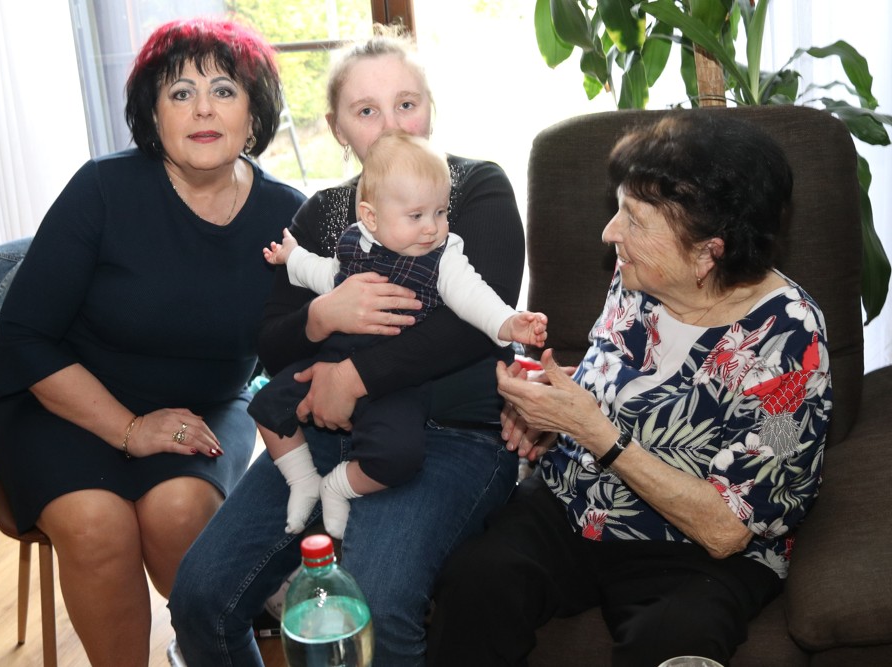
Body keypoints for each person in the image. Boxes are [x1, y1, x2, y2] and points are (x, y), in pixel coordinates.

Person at [169, 27, 525, 665]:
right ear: (337, 129)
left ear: (431, 109)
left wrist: (353, 376)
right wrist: (321, 316)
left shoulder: (472, 188)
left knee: (378, 605)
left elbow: (475, 317)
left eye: (406, 104)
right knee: (199, 595)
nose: (391, 125)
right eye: (366, 111)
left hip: (453, 437)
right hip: (323, 434)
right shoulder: (323, 215)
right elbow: (272, 345)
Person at [425, 112, 833, 667]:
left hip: (691, 551)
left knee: (671, 641)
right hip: (575, 501)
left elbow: (728, 529)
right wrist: (551, 407)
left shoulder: (790, 342)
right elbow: (616, 377)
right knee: (475, 584)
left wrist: (593, 430)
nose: (610, 232)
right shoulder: (642, 273)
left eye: (634, 220)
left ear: (708, 252)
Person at [0, 18, 305, 665]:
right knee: (95, 523)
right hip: (65, 403)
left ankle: (213, 640)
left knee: (180, 508)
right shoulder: (102, 190)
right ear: (153, 116)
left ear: (253, 114)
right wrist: (130, 429)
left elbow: (300, 350)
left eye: (224, 89)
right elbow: (25, 336)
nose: (203, 108)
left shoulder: (287, 214)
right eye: (180, 92)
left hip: (207, 404)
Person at [252, 130, 548, 539]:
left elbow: (474, 297)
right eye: (416, 216)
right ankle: (302, 479)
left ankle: (338, 485)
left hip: (393, 381)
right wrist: (293, 258)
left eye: (440, 213)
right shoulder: (353, 242)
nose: (432, 228)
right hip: (331, 363)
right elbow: (323, 275)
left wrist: (508, 322)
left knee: (398, 455)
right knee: (266, 405)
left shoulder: (444, 257)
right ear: (371, 217)